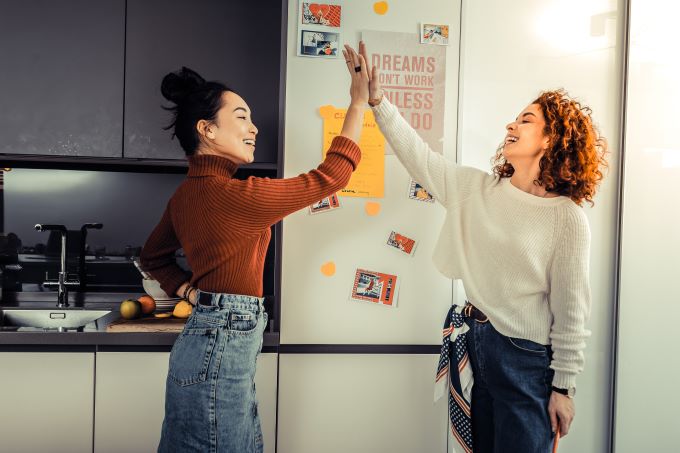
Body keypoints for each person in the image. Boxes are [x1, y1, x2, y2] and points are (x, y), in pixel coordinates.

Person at [344, 42, 608, 452]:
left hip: (527, 360)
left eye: (526, 120)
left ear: (552, 138)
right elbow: (417, 155)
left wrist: (564, 388)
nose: (510, 126)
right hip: (477, 341)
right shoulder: (475, 189)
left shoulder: (566, 218)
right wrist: (377, 102)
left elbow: (572, 312)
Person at [140, 60, 369, 453]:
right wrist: (358, 102)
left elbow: (152, 257)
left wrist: (191, 295)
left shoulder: (188, 195)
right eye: (241, 117)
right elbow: (331, 176)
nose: (254, 128)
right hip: (220, 346)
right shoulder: (234, 196)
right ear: (207, 129)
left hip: (209, 341)